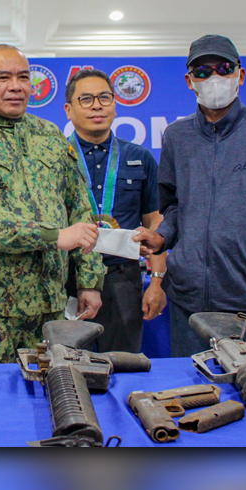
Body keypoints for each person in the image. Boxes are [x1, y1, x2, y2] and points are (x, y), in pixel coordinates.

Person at [134, 34, 246, 357]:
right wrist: (162, 238)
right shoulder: (177, 136)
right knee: (192, 393)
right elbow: (174, 206)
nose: (213, 77)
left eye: (223, 68)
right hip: (188, 301)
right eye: (202, 72)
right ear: (190, 81)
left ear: (240, 76)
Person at [0, 44, 105, 363]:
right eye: (3, 77)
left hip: (51, 310)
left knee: (54, 398)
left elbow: (80, 210)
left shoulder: (51, 135)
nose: (16, 86)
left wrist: (88, 281)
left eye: (24, 77)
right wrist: (53, 237)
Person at [62, 68, 167, 352]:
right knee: (67, 367)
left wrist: (156, 281)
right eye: (86, 99)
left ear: (115, 105)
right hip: (65, 278)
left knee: (122, 365)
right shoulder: (54, 159)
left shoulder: (139, 157)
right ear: (68, 110)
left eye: (104, 98)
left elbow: (155, 221)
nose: (97, 105)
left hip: (122, 277)